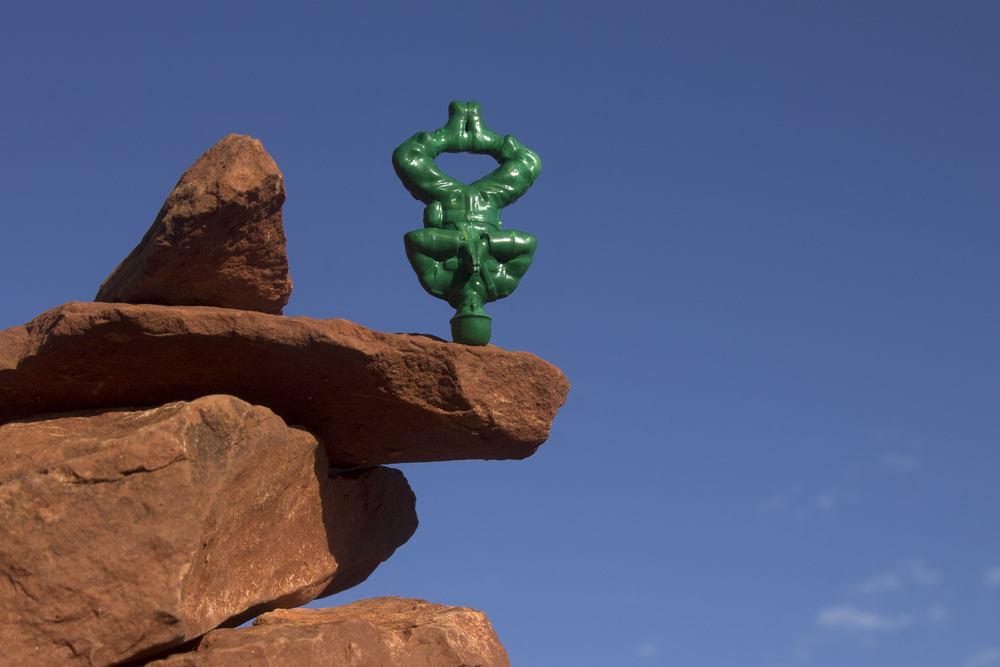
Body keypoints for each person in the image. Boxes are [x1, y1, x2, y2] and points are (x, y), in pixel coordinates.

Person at [393, 101, 541, 320]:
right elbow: (528, 243)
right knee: (530, 162)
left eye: (467, 315)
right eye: (478, 314)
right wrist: (487, 244)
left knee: (405, 158)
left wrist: (457, 242)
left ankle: (449, 134)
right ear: (485, 315)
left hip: (448, 201)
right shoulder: (501, 285)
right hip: (487, 202)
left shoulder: (439, 284)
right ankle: (483, 137)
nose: (472, 308)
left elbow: (414, 241)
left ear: (457, 316)